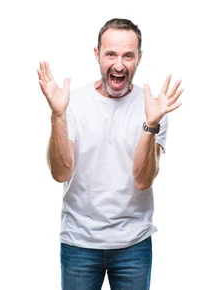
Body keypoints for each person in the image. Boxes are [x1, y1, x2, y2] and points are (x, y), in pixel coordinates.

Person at [37, 18, 183, 290]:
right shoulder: (73, 103)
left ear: (139, 58)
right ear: (97, 55)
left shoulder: (153, 108)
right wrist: (58, 115)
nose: (119, 65)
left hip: (133, 245)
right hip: (79, 243)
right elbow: (60, 173)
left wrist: (151, 124)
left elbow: (143, 180)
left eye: (128, 55)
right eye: (111, 54)